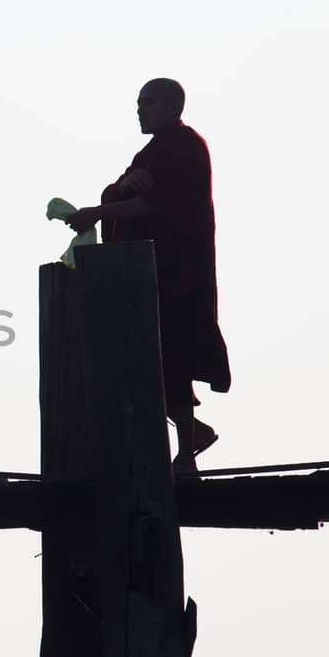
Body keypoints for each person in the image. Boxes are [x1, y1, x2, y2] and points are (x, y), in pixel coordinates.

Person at [62, 78, 230, 476]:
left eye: (148, 103)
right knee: (145, 360)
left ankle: (186, 454)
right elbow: (118, 193)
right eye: (138, 103)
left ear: (174, 106)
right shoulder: (151, 151)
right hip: (145, 273)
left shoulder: (185, 147)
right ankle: (193, 438)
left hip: (178, 270)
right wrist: (121, 186)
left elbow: (152, 206)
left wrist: (96, 214)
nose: (140, 110)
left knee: (173, 358)